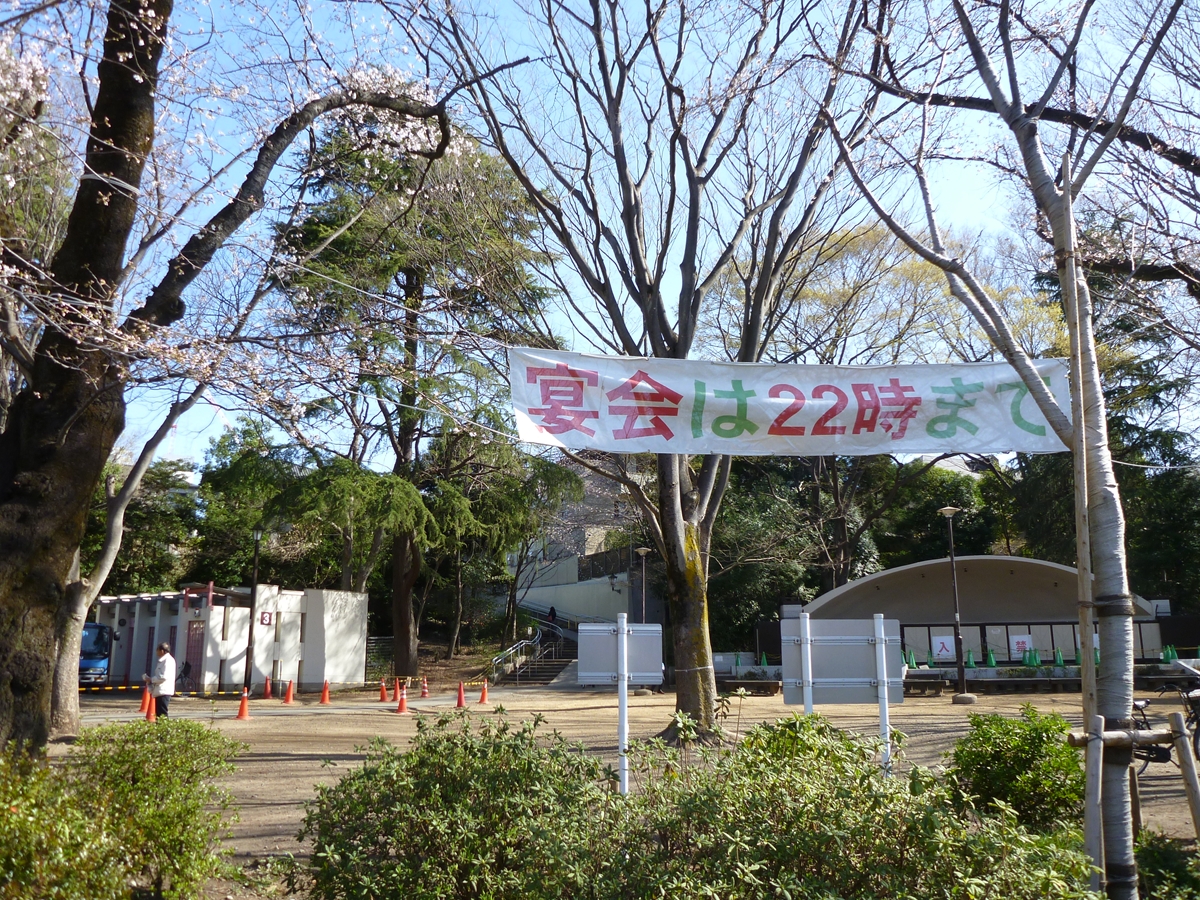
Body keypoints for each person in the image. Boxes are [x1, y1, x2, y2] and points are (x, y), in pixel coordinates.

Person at [144, 642, 176, 719]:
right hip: (160, 691)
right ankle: (161, 729)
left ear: (162, 651)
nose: (156, 652)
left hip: (164, 691)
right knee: (159, 714)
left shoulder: (167, 661)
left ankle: (164, 730)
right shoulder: (164, 660)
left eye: (157, 650)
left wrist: (151, 679)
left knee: (162, 713)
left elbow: (163, 677)